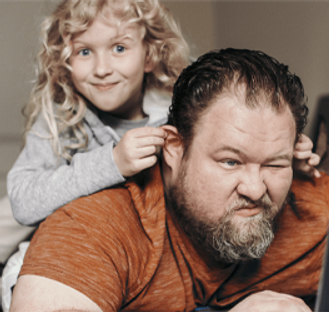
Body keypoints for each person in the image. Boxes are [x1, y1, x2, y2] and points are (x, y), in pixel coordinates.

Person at [10, 48, 329, 312]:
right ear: (174, 148)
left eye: (275, 165)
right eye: (230, 161)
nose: (255, 189)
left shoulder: (318, 213)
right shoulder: (94, 227)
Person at [1, 0, 189, 310]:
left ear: (150, 56)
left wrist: (291, 155)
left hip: (152, 265)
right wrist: (112, 163)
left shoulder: (180, 112)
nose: (102, 69)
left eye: (119, 48)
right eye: (85, 52)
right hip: (68, 263)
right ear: (65, 61)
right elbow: (21, 199)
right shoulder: (60, 119)